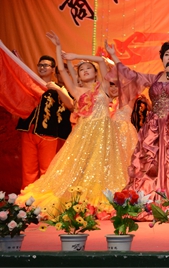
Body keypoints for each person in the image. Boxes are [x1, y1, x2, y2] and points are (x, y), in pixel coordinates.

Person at [19, 31, 129, 212]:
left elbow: (101, 61)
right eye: (82, 69)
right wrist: (58, 46)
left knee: (102, 168)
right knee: (78, 166)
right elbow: (62, 70)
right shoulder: (76, 90)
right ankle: (79, 199)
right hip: (84, 133)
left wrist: (76, 56)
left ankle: (98, 199)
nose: (85, 71)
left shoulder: (103, 86)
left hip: (104, 134)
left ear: (95, 73)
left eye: (88, 68)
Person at [106, 40, 169, 202]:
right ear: (162, 58)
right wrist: (114, 56)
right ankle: (150, 199)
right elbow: (130, 75)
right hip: (154, 128)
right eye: (166, 55)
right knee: (150, 163)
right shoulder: (154, 78)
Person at [16, 55, 73, 188]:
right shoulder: (30, 83)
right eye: (40, 65)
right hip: (28, 130)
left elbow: (71, 105)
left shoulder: (59, 88)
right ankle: (27, 198)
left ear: (53, 69)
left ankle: (44, 198)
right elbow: (19, 76)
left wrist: (57, 89)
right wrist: (18, 61)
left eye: (46, 65)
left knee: (47, 169)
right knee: (28, 168)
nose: (42, 67)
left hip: (49, 133)